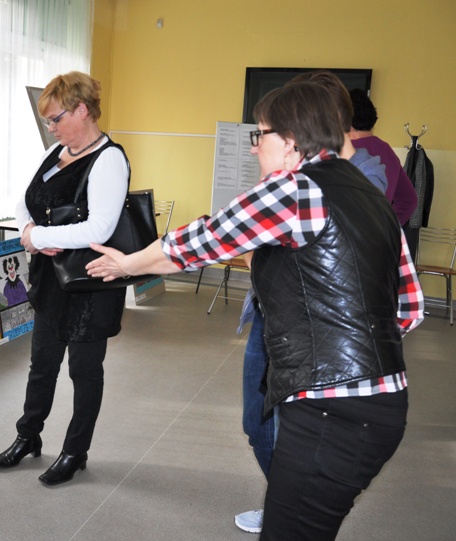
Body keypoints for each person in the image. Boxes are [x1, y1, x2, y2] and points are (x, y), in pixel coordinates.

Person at [87, 81, 424, 540]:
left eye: (259, 134)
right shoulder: (371, 197)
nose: (252, 148)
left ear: (290, 141)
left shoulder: (294, 189)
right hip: (382, 403)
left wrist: (127, 263)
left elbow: (200, 240)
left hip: (330, 409)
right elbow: (409, 308)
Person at [233, 70, 391, 534]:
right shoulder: (294, 176)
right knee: (257, 423)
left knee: (294, 430)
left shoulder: (360, 177)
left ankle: (295, 505)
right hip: (270, 316)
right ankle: (288, 500)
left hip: (319, 335)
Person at [0, 71, 130, 486]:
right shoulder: (55, 152)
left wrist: (39, 237)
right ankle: (28, 436)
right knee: (42, 366)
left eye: (56, 118)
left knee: (84, 374)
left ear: (82, 110)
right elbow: (25, 201)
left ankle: (75, 451)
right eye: (47, 121)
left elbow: (99, 228)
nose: (51, 127)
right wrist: (27, 230)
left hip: (89, 285)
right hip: (51, 282)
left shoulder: (109, 159)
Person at [349, 88, 418, 226]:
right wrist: (388, 229)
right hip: (376, 236)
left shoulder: (347, 152)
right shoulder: (386, 150)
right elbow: (409, 200)